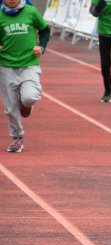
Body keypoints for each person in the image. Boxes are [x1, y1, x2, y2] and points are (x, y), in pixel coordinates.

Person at [0, 0, 50, 153]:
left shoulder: (31, 11)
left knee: (29, 97)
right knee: (10, 108)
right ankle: (17, 138)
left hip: (29, 63)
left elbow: (45, 30)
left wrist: (41, 47)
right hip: (6, 65)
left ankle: (25, 104)